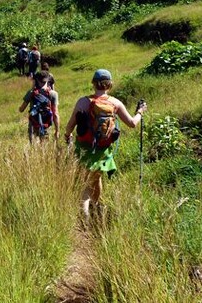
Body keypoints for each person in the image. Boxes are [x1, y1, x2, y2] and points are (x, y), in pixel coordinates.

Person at [63, 69, 148, 222]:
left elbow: (70, 125)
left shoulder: (83, 102)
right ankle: (95, 209)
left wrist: (67, 135)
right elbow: (132, 123)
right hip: (103, 151)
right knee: (96, 178)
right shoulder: (115, 103)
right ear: (110, 84)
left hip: (84, 148)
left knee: (85, 184)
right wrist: (140, 112)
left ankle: (86, 219)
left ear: (93, 83)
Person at [19, 70, 59, 143]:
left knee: (34, 146)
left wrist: (32, 88)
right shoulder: (53, 94)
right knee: (45, 145)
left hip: (33, 123)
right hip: (46, 124)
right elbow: (55, 114)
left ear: (36, 80)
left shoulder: (31, 93)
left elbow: (21, 109)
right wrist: (57, 130)